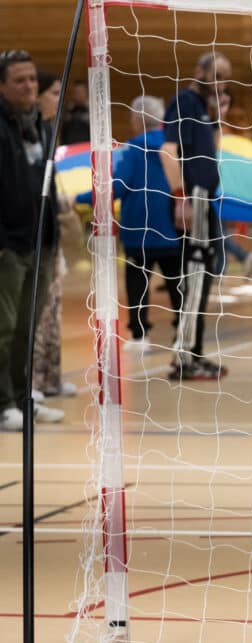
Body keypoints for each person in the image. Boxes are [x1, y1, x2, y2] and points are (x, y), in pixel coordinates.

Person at [0, 49, 65, 430]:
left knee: (27, 328)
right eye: (19, 80)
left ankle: (24, 398)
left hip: (41, 243)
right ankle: (3, 402)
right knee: (4, 328)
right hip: (9, 246)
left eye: (32, 79)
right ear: (3, 86)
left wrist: (53, 235)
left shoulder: (40, 124)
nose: (29, 86)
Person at [160, 50, 232, 380]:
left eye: (225, 77)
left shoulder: (204, 108)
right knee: (196, 275)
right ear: (199, 71)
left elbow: (210, 154)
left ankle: (193, 352)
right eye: (216, 75)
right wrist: (181, 198)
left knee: (204, 276)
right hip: (194, 197)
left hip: (207, 198)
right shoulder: (185, 102)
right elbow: (168, 151)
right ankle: (184, 357)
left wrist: (218, 117)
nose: (221, 82)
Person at [115, 95, 183, 354]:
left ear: (135, 120)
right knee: (177, 282)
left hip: (138, 230)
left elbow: (119, 186)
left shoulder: (134, 148)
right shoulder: (175, 144)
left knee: (137, 283)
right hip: (173, 226)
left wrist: (82, 198)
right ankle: (182, 335)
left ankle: (140, 336)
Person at [31, 70, 79, 399]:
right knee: (33, 315)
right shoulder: (26, 131)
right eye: (53, 93)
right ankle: (29, 384)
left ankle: (50, 380)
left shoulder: (49, 131)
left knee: (52, 309)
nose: (57, 99)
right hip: (27, 235)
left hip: (51, 233)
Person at [214, 88, 252, 280]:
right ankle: (220, 270)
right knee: (218, 230)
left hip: (220, 188)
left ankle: (242, 256)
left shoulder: (226, 139)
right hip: (227, 188)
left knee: (217, 231)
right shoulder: (241, 141)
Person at [59, 80, 90, 146]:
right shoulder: (66, 110)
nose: (78, 95)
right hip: (69, 147)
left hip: (86, 148)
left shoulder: (93, 111)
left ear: (86, 93)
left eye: (81, 92)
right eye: (76, 92)